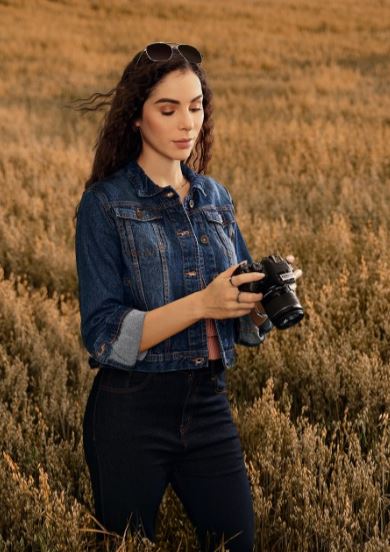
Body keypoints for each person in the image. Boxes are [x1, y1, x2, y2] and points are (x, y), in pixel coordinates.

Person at [73, 42, 301, 551]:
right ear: (136, 117)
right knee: (127, 545)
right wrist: (202, 303)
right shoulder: (105, 206)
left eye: (195, 107)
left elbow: (236, 323)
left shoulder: (215, 197)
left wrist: (260, 303)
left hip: (207, 404)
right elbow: (104, 336)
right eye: (168, 108)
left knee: (237, 542)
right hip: (131, 411)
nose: (186, 123)